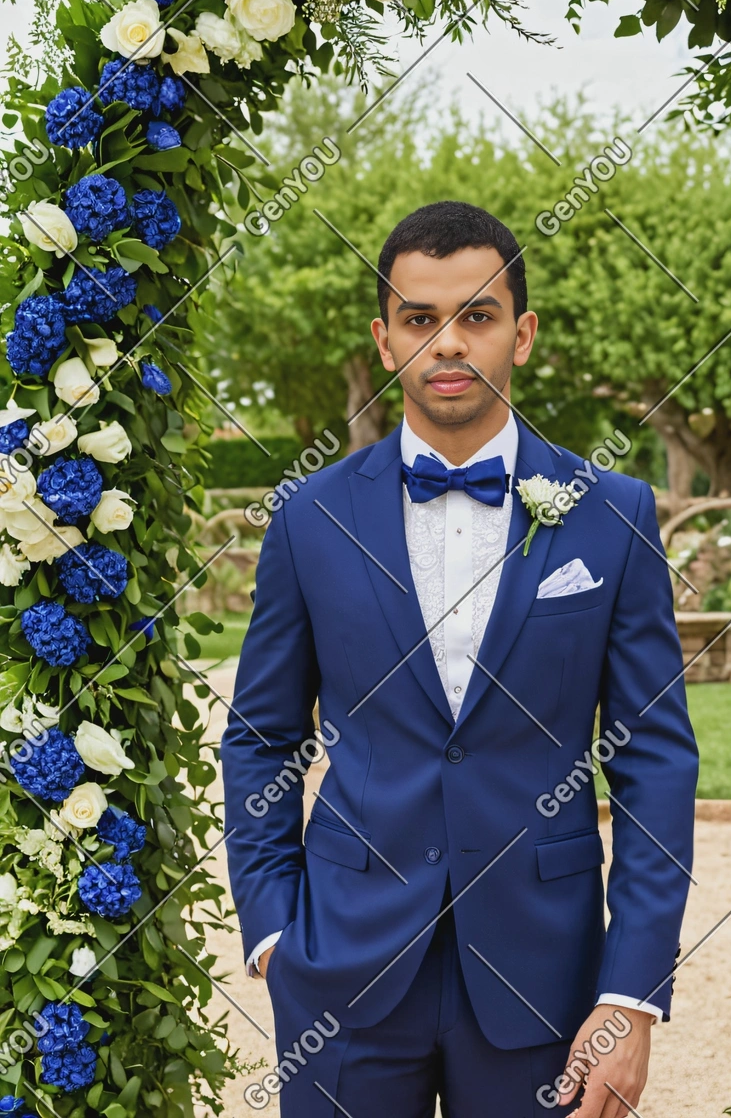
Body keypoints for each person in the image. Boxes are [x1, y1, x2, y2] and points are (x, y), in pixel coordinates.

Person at [221, 200, 698, 1117]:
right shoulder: (310, 517)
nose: (448, 343)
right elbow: (260, 736)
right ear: (385, 337)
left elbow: (655, 760)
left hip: (548, 981)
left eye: (476, 317)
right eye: (420, 320)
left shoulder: (616, 514)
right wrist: (274, 928)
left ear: (520, 335)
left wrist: (631, 993)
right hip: (341, 976)